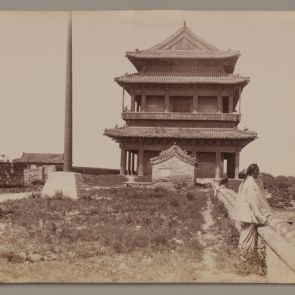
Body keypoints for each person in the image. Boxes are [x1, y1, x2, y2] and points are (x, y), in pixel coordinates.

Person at [234, 163, 273, 275]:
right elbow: (253, 203)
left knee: (245, 240)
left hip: (243, 216)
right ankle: (244, 268)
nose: (259, 173)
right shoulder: (251, 184)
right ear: (253, 172)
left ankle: (244, 266)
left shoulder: (245, 182)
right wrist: (262, 219)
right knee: (246, 242)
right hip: (248, 217)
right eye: (257, 171)